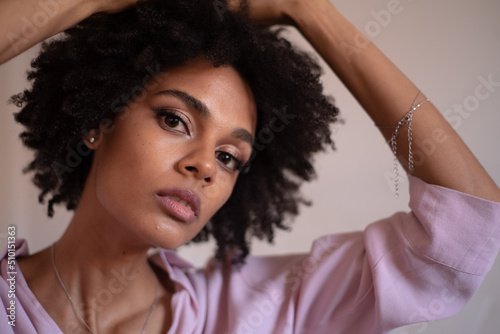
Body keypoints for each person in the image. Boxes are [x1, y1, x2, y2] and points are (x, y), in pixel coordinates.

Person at [1, 0, 499, 333]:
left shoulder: (253, 312)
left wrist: (307, 9)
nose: (205, 168)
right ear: (98, 119)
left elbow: (467, 228)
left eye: (228, 157)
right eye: (175, 120)